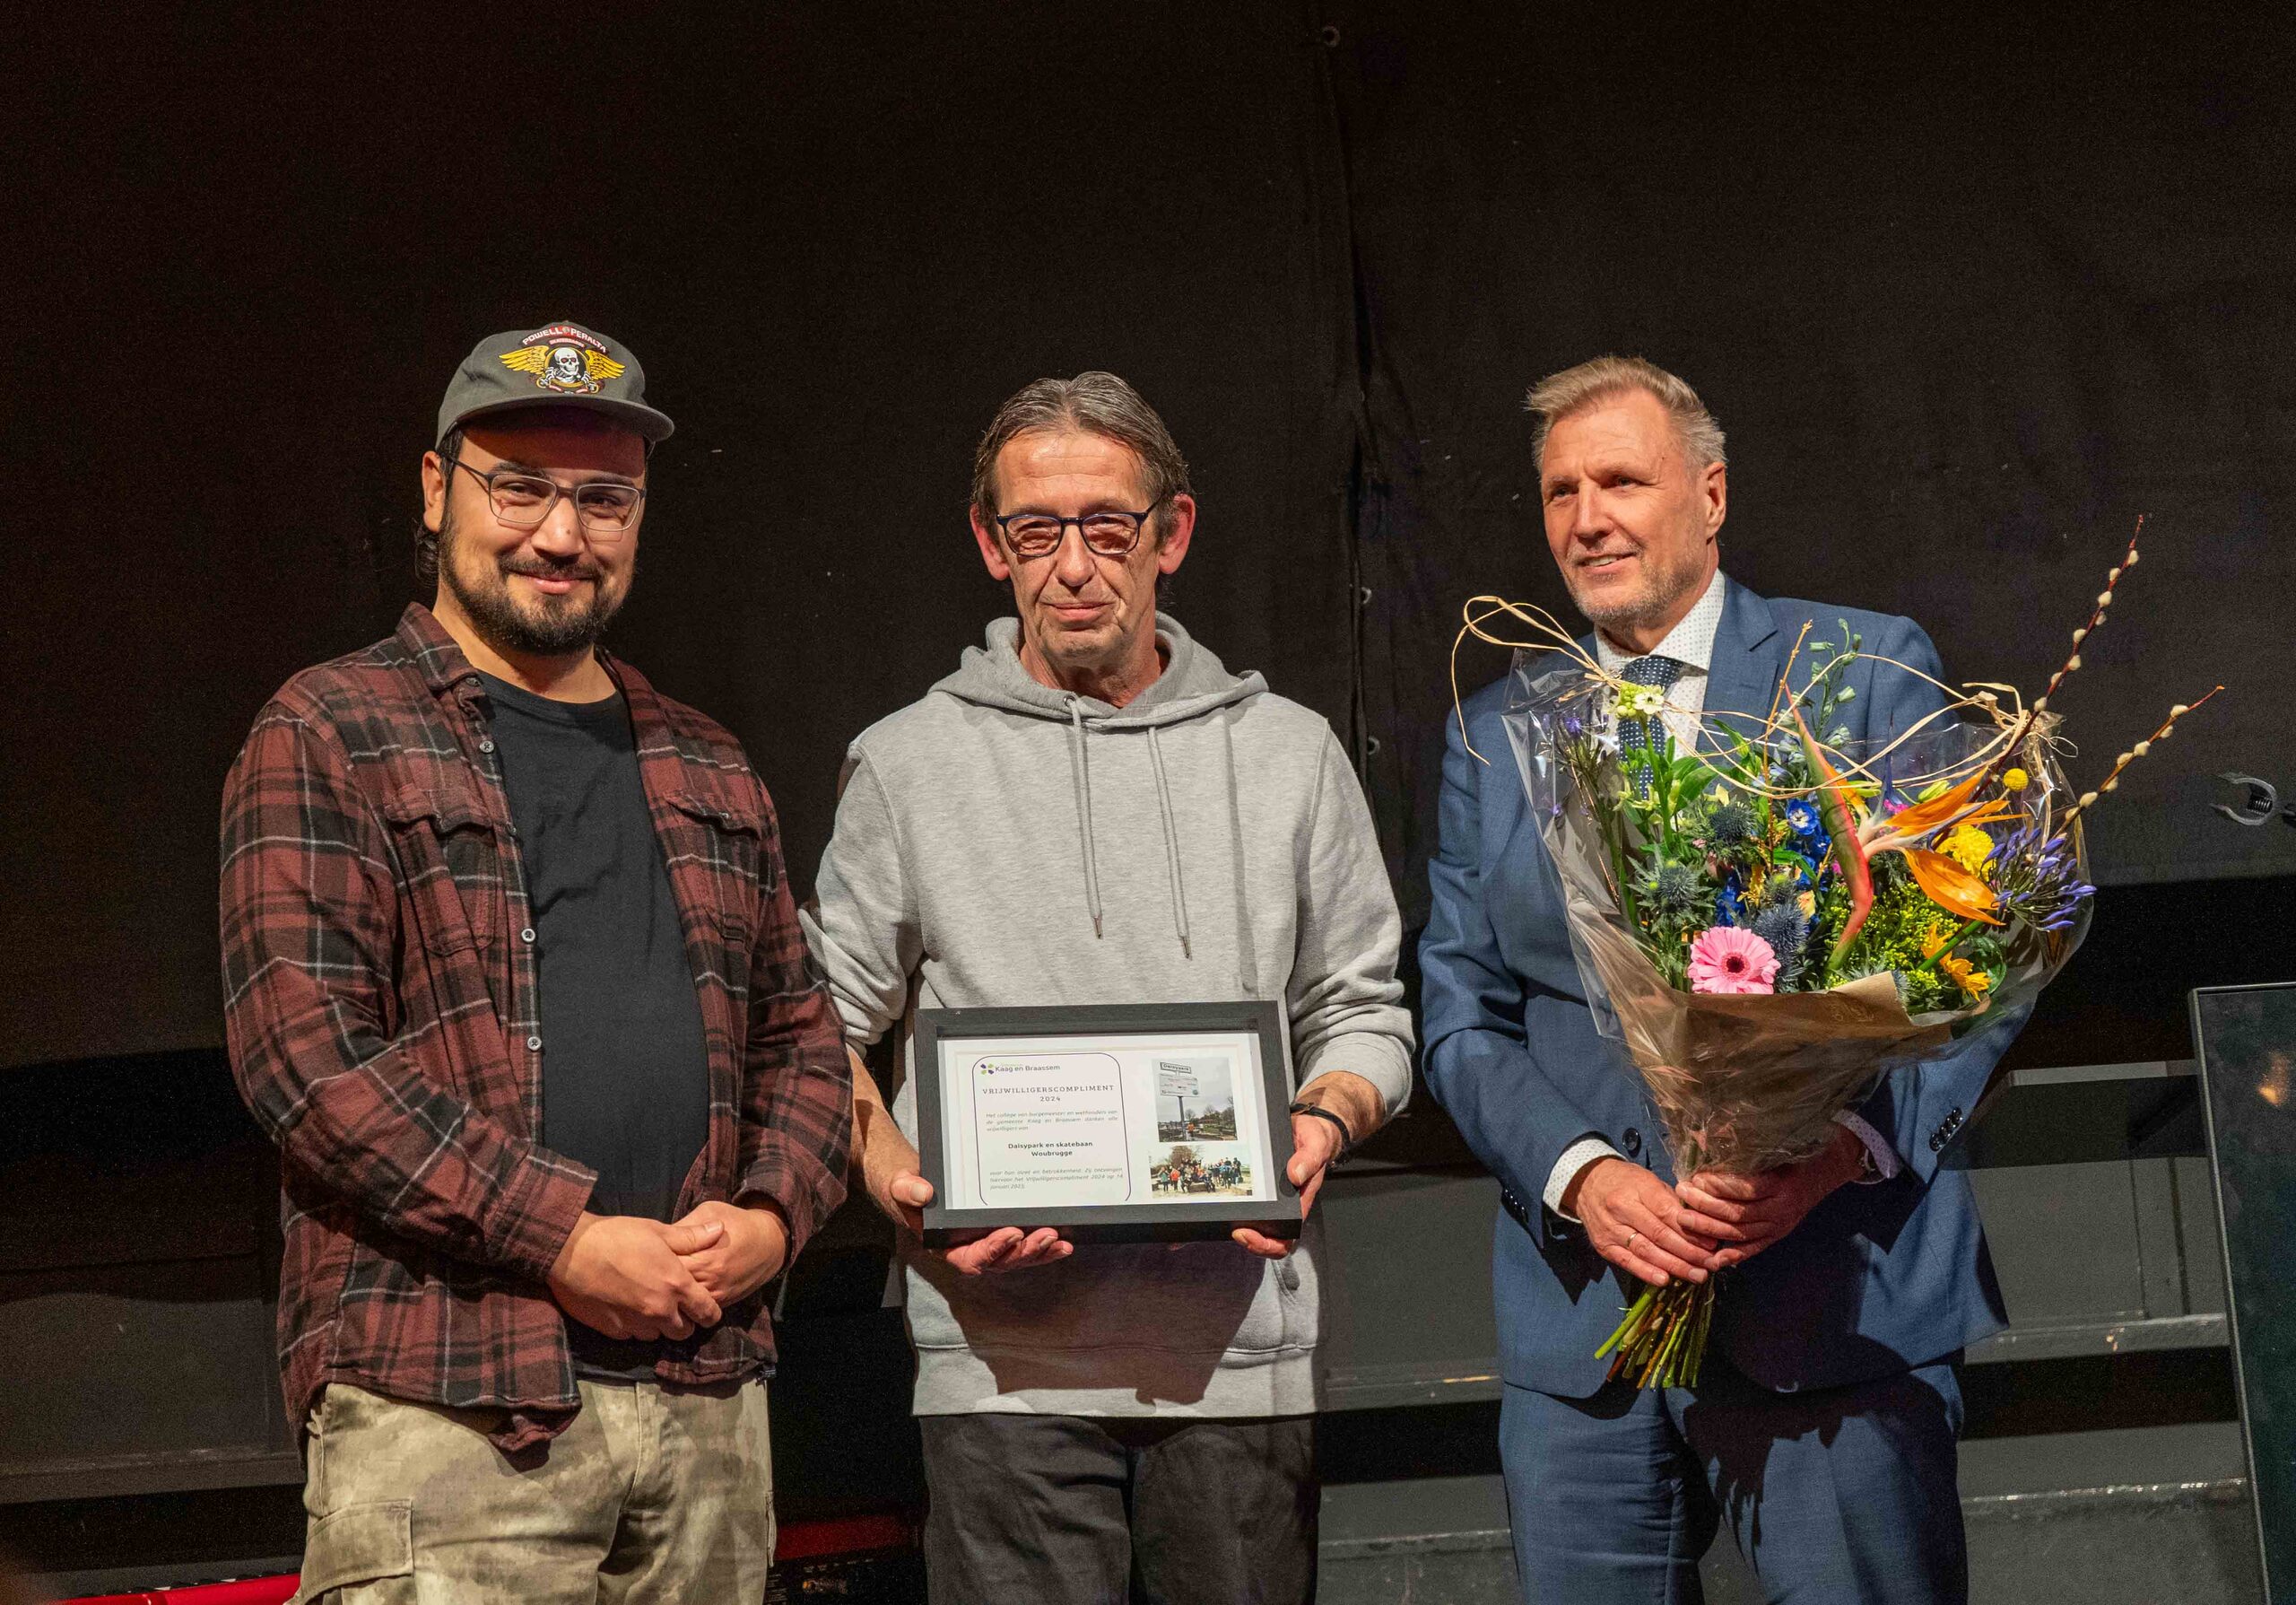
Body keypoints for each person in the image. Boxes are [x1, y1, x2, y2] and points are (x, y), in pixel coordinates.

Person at [219, 322, 850, 1602]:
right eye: (521, 487)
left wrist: (775, 1218)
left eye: (603, 499)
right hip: (448, 1407)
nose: (562, 533)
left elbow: (807, 1039)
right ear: (438, 488)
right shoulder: (330, 729)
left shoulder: (708, 758)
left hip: (703, 1402)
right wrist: (563, 1237)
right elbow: (307, 1060)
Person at [802, 371, 1415, 1604]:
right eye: (1036, 530)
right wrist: (898, 1188)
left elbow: (1368, 1011)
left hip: (1243, 1363)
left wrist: (1321, 1119)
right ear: (992, 544)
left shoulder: (1288, 753)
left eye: (1108, 526)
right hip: (997, 1371)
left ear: (1170, 536)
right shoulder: (907, 761)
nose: (1073, 564)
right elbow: (817, 1029)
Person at [1421, 356, 2017, 1603]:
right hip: (1586, 1329)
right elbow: (1463, 1012)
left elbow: (1980, 965)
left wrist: (1837, 1148)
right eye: (1560, 491)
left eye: (1623, 480)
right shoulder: (1497, 728)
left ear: (1711, 492)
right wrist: (1585, 1177)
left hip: (1836, 1310)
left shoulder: (1858, 669)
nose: (1589, 517)